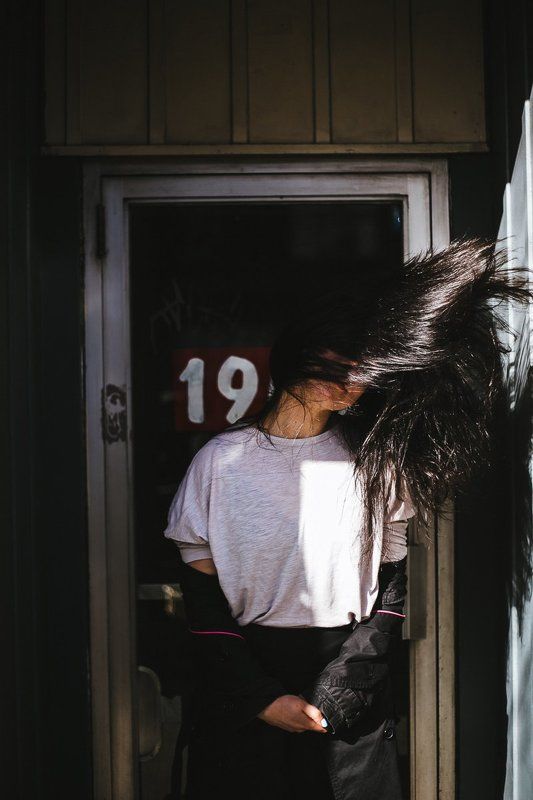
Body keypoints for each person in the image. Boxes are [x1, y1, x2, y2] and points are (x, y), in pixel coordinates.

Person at [163, 236, 532, 800]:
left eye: (363, 366)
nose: (356, 379)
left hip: (351, 680)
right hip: (244, 682)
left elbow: (390, 589)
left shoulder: (373, 460)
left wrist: (346, 684)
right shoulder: (220, 462)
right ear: (299, 360)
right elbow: (203, 602)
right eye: (341, 365)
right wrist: (261, 698)